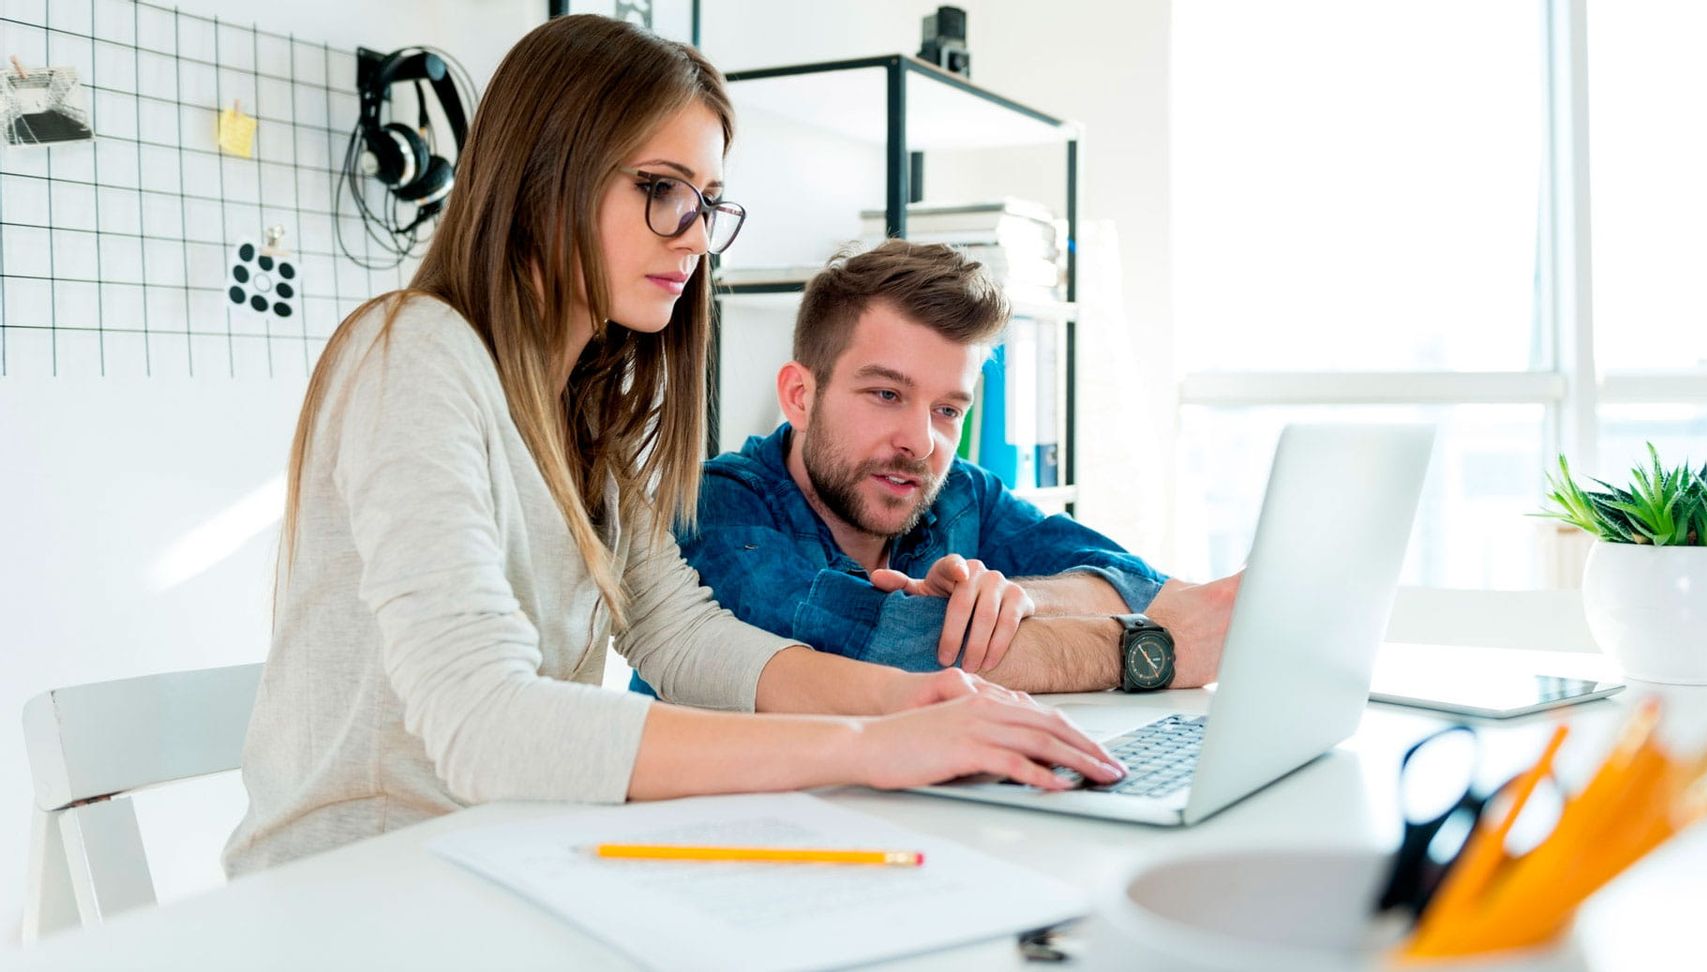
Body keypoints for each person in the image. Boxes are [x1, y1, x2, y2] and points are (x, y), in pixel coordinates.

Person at [224, 16, 1121, 876]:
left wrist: (914, 700)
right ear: (545, 176)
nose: (695, 236)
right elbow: (485, 722)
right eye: (661, 190)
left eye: (708, 203)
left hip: (507, 859)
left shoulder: (586, 416)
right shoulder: (413, 353)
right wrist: (869, 745)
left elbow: (681, 637)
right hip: (361, 892)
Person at [628, 241, 1240, 699]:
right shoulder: (715, 506)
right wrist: (1142, 648)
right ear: (800, 396)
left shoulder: (961, 493)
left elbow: (1140, 584)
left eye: (947, 409)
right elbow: (883, 652)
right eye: (886, 394)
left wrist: (1021, 600)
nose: (921, 443)